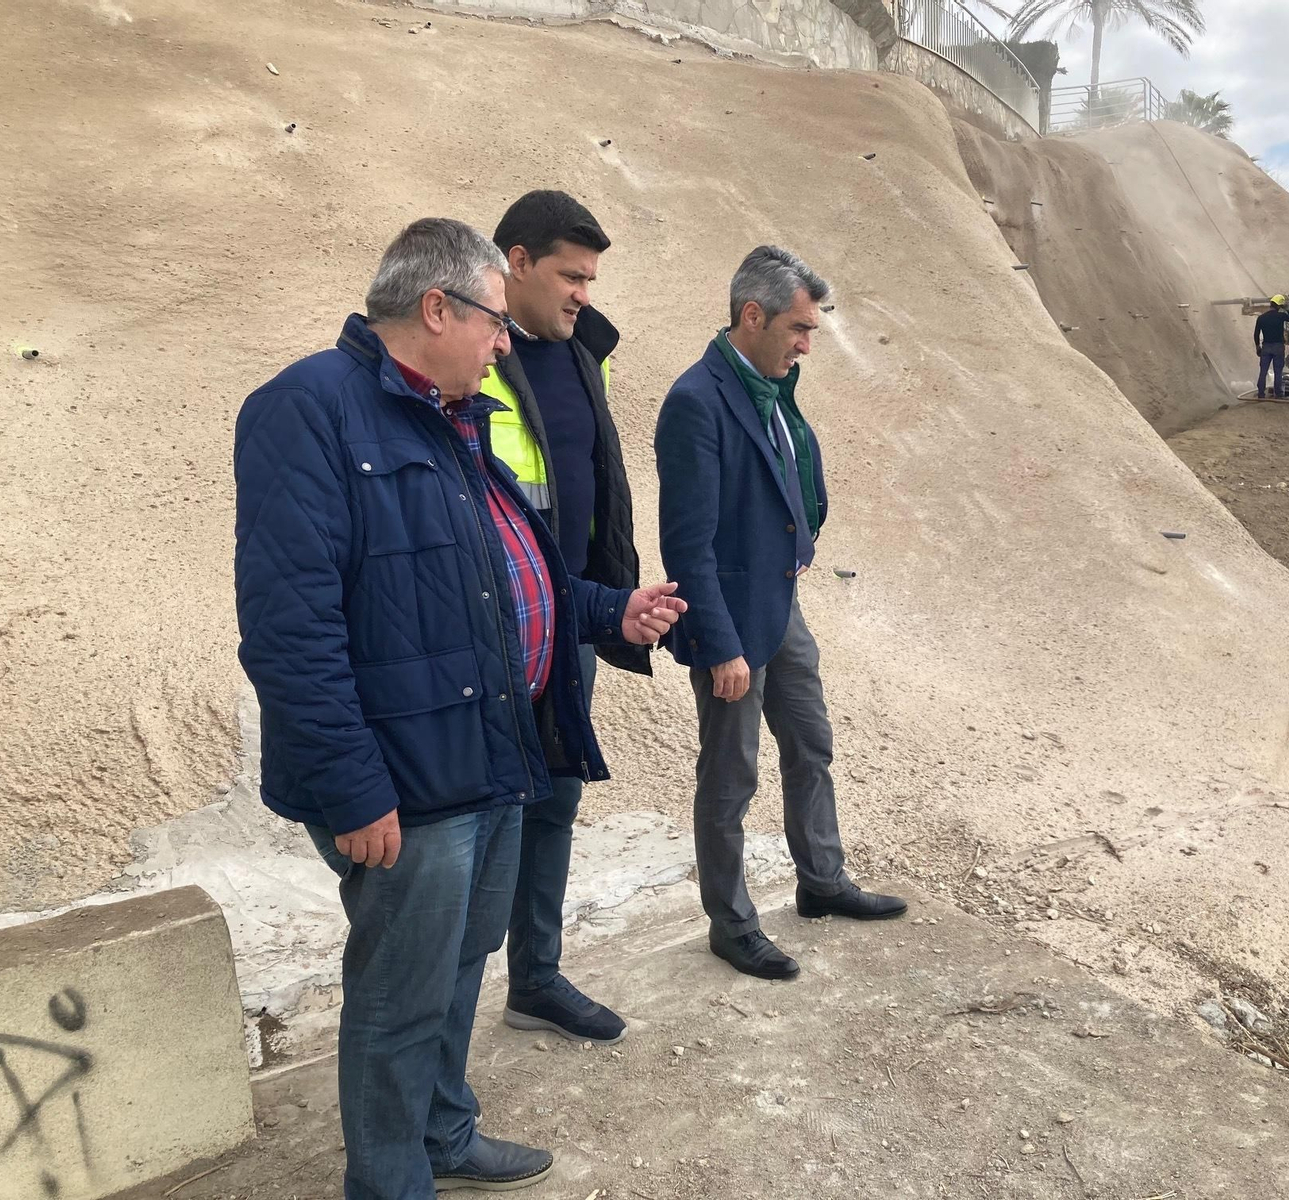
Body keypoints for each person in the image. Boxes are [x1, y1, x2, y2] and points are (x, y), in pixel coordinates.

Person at [234, 217, 686, 1199]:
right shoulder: (307, 411)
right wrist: (353, 791)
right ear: (436, 308)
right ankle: (391, 1180)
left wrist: (615, 608)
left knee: (462, 960)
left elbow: (508, 579)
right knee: (400, 994)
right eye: (492, 323)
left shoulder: (452, 419)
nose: (504, 344)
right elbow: (289, 635)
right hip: (405, 777)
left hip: (489, 750)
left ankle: (443, 1130)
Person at [655, 245, 906, 982]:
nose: (806, 344)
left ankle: (821, 883)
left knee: (811, 744)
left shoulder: (773, 384)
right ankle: (731, 925)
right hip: (731, 621)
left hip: (781, 604)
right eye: (798, 327)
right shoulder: (695, 402)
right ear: (752, 315)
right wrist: (721, 646)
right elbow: (687, 544)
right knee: (730, 777)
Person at [483, 191, 643, 1046]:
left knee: (556, 795)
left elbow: (595, 473)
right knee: (483, 812)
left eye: (590, 278)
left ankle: (535, 977)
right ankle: (438, 1028)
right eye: (569, 276)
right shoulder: (469, 354)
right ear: (515, 262)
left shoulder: (587, 351)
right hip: (490, 628)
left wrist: (614, 594)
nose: (584, 293)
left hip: (570, 616)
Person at [1253, 295, 1289, 399]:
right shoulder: (1281, 316)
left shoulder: (1261, 318)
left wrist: (1257, 347)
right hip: (1278, 347)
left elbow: (1256, 334)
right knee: (1278, 371)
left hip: (1266, 346)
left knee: (1263, 371)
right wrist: (1287, 308)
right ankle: (1278, 394)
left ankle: (1261, 394)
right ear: (1280, 306)